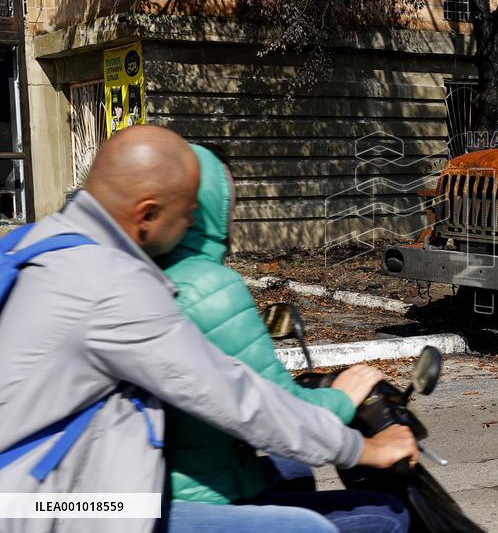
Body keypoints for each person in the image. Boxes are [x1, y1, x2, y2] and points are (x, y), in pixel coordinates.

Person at [0, 126, 418, 533]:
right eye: (186, 213)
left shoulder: (35, 242)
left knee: (286, 471)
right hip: (49, 505)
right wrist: (366, 449)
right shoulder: (112, 285)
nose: (191, 223)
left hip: (31, 488)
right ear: (146, 213)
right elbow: (239, 400)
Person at [157, 144, 408, 531]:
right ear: (206, 206)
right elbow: (279, 415)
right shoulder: (209, 286)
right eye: (229, 201)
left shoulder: (143, 274)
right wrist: (345, 402)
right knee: (386, 515)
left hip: (150, 487)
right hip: (194, 500)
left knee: (292, 469)